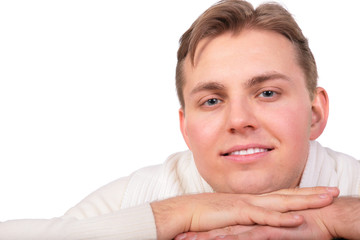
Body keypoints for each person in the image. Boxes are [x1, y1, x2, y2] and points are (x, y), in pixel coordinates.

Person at [1, 0, 360, 239]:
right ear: (186, 129)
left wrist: (333, 217)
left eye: (267, 93)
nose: (239, 120)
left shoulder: (351, 186)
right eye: (212, 100)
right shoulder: (148, 192)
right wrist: (177, 214)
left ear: (315, 114)